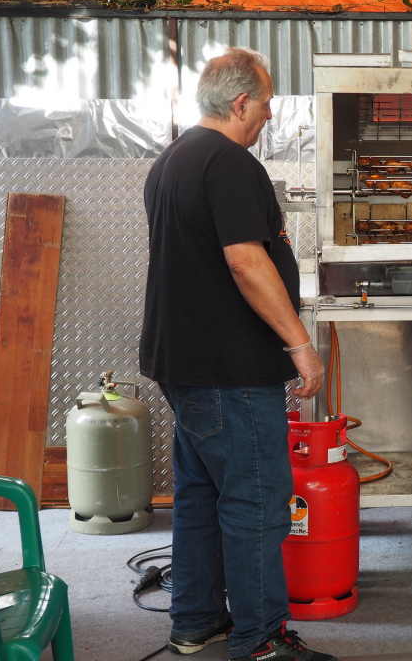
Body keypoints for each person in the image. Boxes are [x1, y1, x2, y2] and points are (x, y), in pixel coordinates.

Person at [140, 47, 333, 661]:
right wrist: (300, 345)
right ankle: (261, 640)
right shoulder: (228, 164)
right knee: (256, 503)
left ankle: (197, 623)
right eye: (267, 103)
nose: (270, 114)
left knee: (201, 497)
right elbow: (246, 262)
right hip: (230, 369)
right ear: (241, 101)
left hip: (185, 363)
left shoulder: (173, 159)